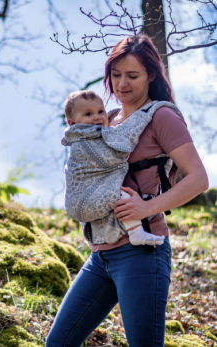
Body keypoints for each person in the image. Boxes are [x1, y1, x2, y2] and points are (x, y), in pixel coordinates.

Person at [46, 34, 208, 347]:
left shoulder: (161, 116)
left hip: (141, 254)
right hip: (101, 255)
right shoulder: (107, 119)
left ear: (150, 75)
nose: (122, 84)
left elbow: (198, 179)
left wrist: (148, 208)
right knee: (58, 342)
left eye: (132, 75)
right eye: (116, 75)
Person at [62, 89, 167, 246]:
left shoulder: (79, 139)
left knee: (113, 206)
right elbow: (122, 139)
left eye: (100, 111)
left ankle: (100, 241)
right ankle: (136, 233)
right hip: (82, 200)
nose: (97, 117)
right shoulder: (85, 141)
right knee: (125, 198)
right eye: (88, 114)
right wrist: (147, 112)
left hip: (77, 205)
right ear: (72, 123)